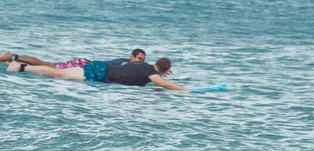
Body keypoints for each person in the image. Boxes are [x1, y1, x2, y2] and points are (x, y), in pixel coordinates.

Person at [6, 57, 188, 91]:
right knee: (58, 74)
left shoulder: (146, 66)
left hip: (100, 68)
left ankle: (21, 66)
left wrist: (160, 75)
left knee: (58, 72)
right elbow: (162, 84)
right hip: (99, 71)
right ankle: (20, 67)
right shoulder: (150, 72)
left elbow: (155, 80)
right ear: (163, 71)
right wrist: (184, 90)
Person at [1, 49, 147, 70]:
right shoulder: (126, 63)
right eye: (139, 58)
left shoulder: (130, 63)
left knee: (48, 65)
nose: (140, 61)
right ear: (131, 57)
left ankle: (14, 60)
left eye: (143, 60)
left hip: (85, 64)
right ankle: (12, 57)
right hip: (85, 65)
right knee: (48, 66)